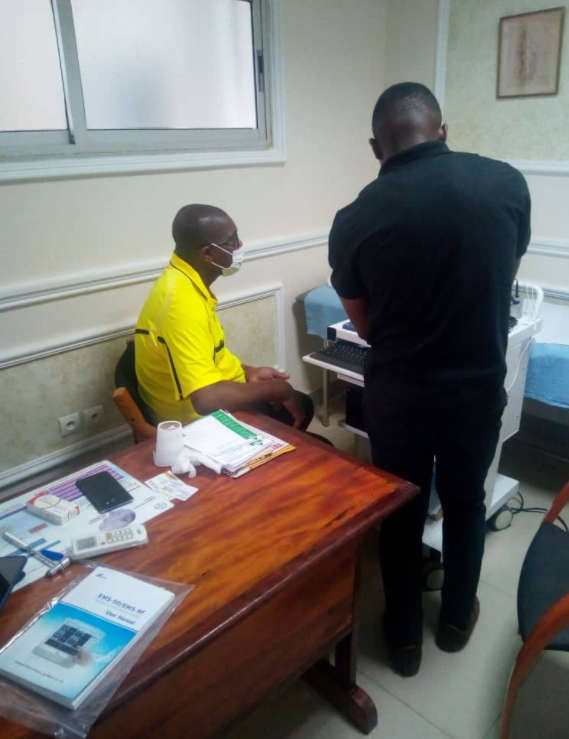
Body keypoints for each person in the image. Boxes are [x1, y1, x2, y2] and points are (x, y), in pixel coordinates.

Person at [328, 82, 531, 677]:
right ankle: (457, 618)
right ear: (443, 131)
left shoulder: (354, 219)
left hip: (399, 394)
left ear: (375, 147)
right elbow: (502, 274)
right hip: (474, 389)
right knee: (466, 503)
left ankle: (403, 639)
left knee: (402, 508)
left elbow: (365, 324)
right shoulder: (506, 184)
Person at [135, 204, 312, 430]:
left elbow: (209, 355)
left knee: (303, 404)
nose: (240, 245)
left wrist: (248, 372)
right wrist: (279, 389)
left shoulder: (183, 281)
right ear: (208, 254)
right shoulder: (181, 303)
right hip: (197, 424)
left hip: (214, 396)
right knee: (302, 415)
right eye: (232, 241)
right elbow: (206, 399)